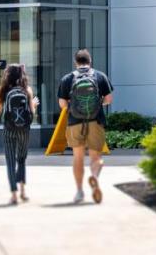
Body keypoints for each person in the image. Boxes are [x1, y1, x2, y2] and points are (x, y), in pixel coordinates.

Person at [57, 49, 113, 204]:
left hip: (75, 122)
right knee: (97, 158)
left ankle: (79, 192)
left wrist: (73, 105)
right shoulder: (100, 76)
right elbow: (109, 99)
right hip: (96, 121)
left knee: (78, 157)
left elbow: (62, 104)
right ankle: (94, 177)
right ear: (90, 61)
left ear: (76, 62)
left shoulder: (68, 78)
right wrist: (98, 102)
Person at [0, 64, 39, 205]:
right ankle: (23, 191)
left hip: (8, 130)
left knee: (10, 161)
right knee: (21, 160)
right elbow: (31, 113)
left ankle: (14, 194)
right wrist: (33, 104)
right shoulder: (27, 90)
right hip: (24, 131)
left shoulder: (5, 91)